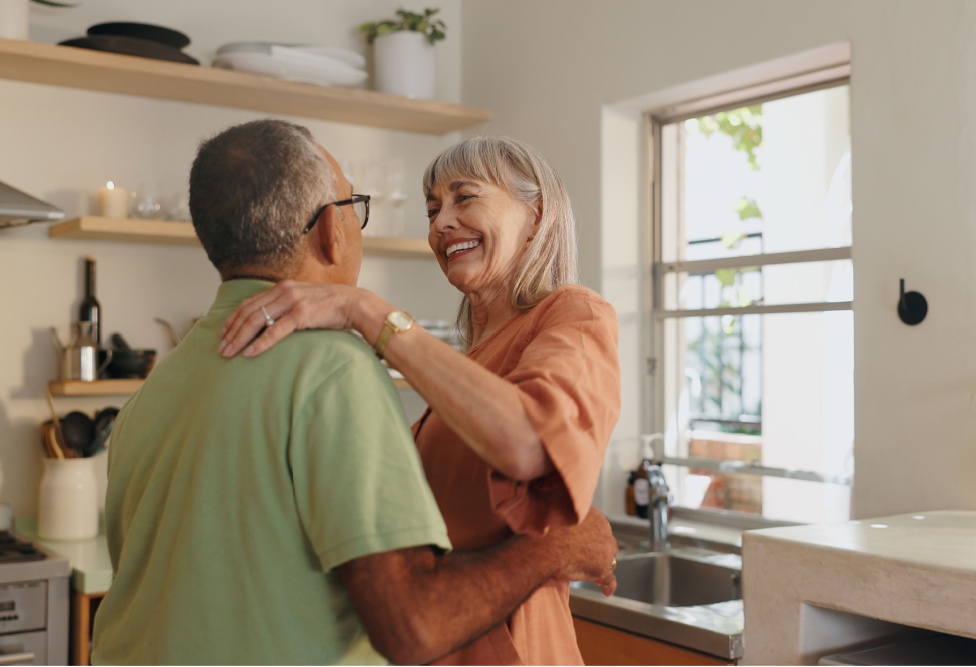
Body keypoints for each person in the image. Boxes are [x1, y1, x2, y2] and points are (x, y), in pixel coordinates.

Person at [90, 119, 618, 666]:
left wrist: (364, 309)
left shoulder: (158, 387)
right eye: (432, 207)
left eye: (465, 197)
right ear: (330, 232)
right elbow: (403, 611)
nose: (441, 223)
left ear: (537, 216)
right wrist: (558, 547)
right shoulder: (344, 368)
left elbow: (531, 442)